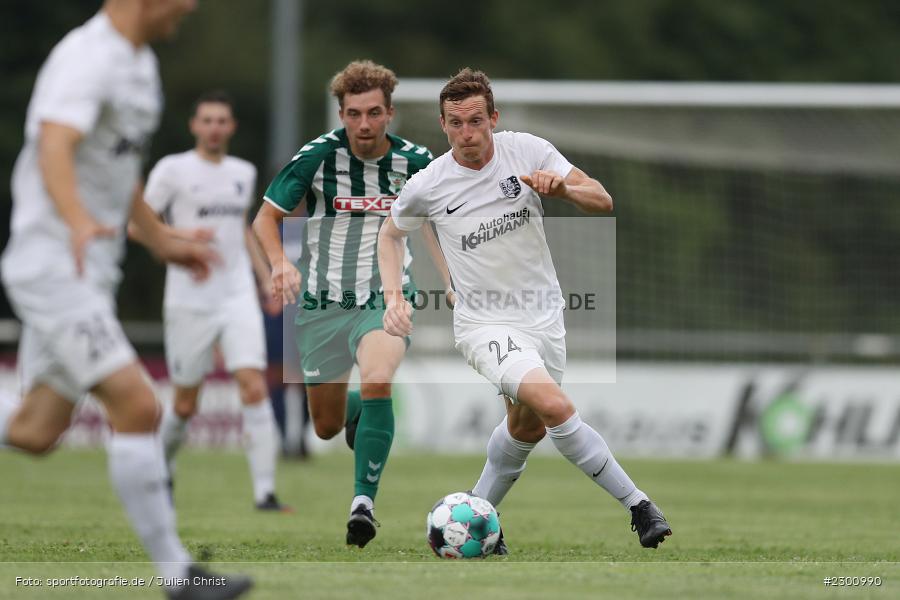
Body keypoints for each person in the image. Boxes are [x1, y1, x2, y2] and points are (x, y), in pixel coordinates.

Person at [0, 2, 253, 598]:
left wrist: (159, 237)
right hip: (54, 268)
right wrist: (77, 220)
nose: (190, 6)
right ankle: (178, 577)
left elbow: (118, 167)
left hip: (88, 273)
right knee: (139, 407)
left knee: (36, 431)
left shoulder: (139, 64)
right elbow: (54, 145)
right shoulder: (86, 58)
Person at [378, 68, 673, 551]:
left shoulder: (529, 151)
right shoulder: (429, 183)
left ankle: (474, 516)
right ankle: (640, 507)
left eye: (476, 121)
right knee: (555, 407)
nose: (466, 134)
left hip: (544, 317)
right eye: (455, 123)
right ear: (443, 124)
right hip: (482, 325)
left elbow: (602, 199)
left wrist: (563, 190)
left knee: (525, 426)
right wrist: (394, 296)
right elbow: (391, 234)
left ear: (493, 118)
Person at [253, 60, 448, 548]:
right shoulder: (317, 156)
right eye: (354, 114)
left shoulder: (417, 161)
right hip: (320, 304)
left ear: (390, 113)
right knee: (324, 426)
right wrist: (279, 263)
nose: (364, 124)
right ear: (341, 113)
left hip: (384, 298)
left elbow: (440, 224)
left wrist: (451, 279)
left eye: (374, 113)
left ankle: (363, 503)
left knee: (379, 376)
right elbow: (265, 218)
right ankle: (356, 411)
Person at [145, 90, 290, 512]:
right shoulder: (172, 170)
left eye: (221, 121)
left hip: (236, 293)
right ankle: (163, 473)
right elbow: (142, 227)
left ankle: (265, 493)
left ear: (231, 127)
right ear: (194, 125)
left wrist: (266, 279)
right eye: (206, 120)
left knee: (252, 384)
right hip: (189, 297)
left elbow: (241, 228)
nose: (214, 128)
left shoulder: (242, 172)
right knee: (185, 402)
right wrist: (182, 239)